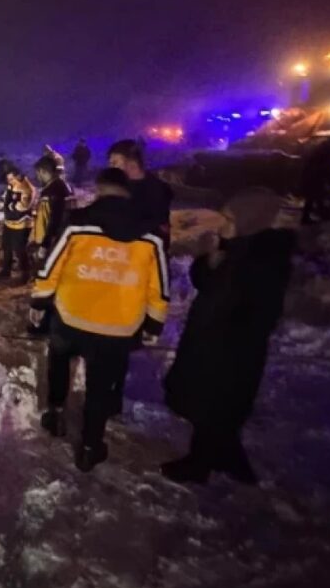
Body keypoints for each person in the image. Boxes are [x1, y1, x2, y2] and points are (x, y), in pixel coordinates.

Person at [30, 168, 169, 472]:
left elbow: (53, 265)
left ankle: (56, 414)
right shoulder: (151, 234)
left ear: (100, 189)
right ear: (127, 192)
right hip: (117, 326)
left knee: (59, 363)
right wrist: (154, 323)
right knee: (100, 385)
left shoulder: (78, 222)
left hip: (71, 316)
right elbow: (158, 285)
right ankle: (90, 446)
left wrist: (39, 302)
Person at [161, 188, 294, 485]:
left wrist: (225, 329)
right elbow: (207, 283)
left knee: (214, 404)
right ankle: (230, 458)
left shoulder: (264, 259)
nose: (223, 225)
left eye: (230, 219)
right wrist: (211, 259)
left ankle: (199, 465)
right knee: (213, 404)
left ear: (251, 222)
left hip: (231, 348)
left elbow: (254, 308)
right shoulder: (236, 248)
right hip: (212, 339)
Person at [108, 139, 173, 247]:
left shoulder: (156, 189)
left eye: (115, 163)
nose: (111, 168)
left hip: (144, 250)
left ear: (132, 163)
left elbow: (162, 229)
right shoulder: (117, 187)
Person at [29, 156, 76, 265]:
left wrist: (44, 246)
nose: (37, 177)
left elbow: (54, 220)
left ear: (42, 171)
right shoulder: (60, 187)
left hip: (53, 241)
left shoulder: (54, 191)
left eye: (37, 173)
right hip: (58, 238)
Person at [0, 165, 35, 283]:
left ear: (18, 176)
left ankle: (25, 273)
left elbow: (23, 206)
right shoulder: (12, 185)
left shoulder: (26, 188)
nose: (9, 182)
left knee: (20, 249)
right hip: (10, 222)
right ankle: (6, 270)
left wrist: (9, 206)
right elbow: (8, 198)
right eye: (8, 179)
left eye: (11, 179)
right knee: (6, 246)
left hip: (21, 223)